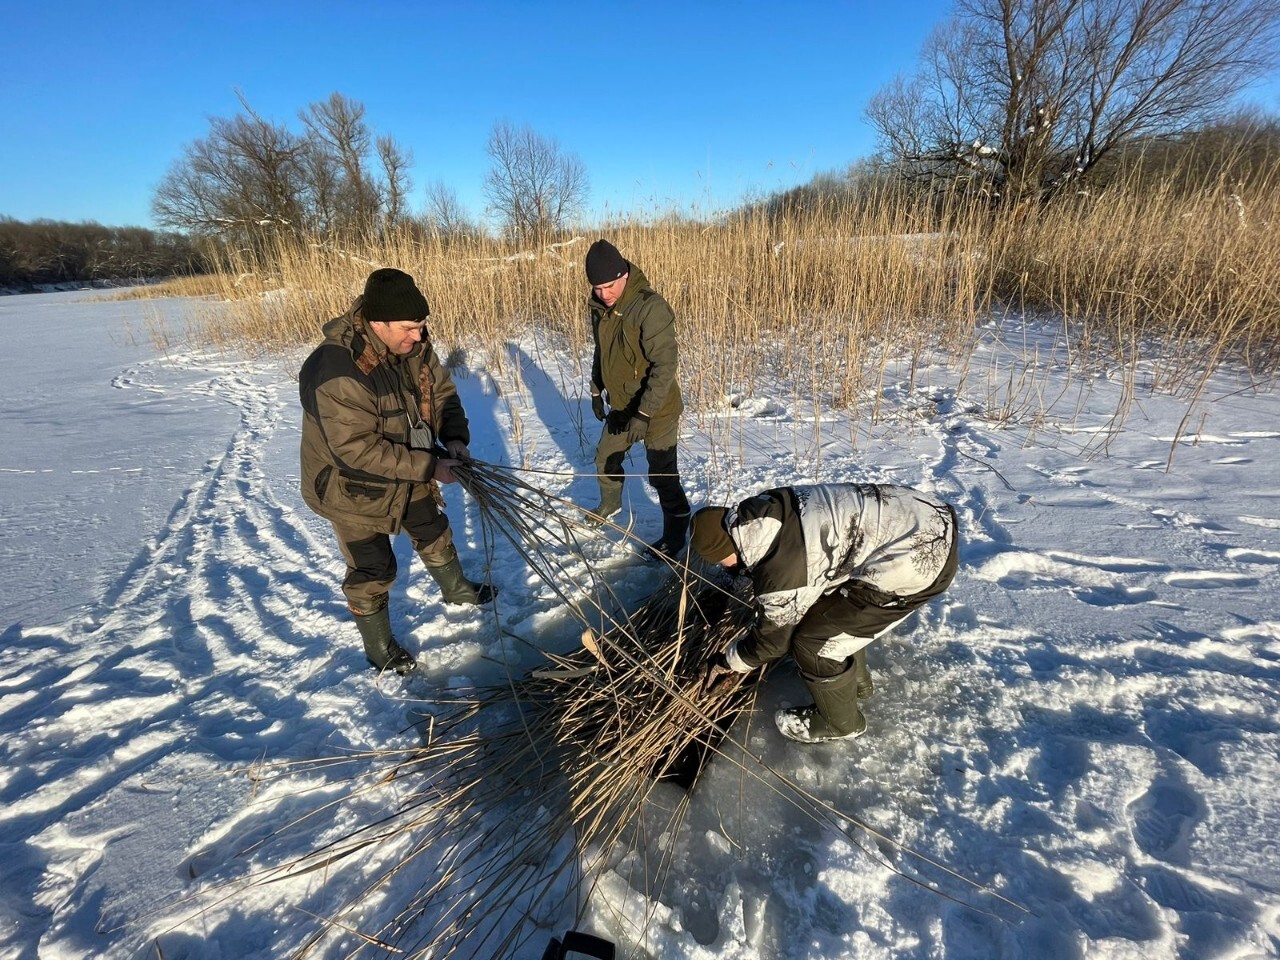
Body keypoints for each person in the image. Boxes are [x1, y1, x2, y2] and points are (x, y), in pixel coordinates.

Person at [299, 267, 495, 676]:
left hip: (410, 463)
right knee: (373, 569)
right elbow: (356, 449)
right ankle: (380, 650)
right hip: (351, 487)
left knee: (432, 528)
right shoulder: (336, 368)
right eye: (409, 328)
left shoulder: (414, 347)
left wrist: (454, 437)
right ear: (377, 323)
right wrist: (429, 465)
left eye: (422, 327)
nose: (419, 337)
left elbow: (441, 392)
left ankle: (457, 590)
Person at [691, 483, 959, 743]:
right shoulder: (770, 505)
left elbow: (771, 643)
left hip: (922, 559)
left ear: (726, 550)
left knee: (814, 644)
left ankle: (840, 724)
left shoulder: (780, 573)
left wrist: (727, 662)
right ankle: (856, 684)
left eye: (719, 561)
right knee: (832, 613)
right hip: (923, 514)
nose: (723, 567)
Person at [583, 239, 691, 560]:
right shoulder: (600, 307)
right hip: (621, 405)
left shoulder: (650, 307)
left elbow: (665, 366)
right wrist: (595, 387)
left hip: (656, 410)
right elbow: (603, 352)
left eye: (610, 285)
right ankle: (611, 504)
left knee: (662, 474)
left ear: (625, 275)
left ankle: (675, 535)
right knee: (605, 457)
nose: (604, 294)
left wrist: (643, 414)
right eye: (597, 287)